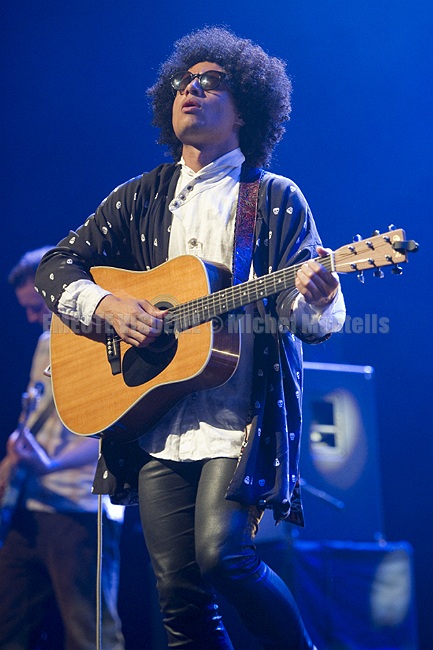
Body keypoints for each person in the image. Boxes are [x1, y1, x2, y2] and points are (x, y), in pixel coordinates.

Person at [35, 27, 346, 649]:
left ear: (246, 109)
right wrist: (109, 306)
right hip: (157, 417)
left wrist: (317, 297)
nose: (191, 90)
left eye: (211, 83)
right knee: (178, 597)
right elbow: (56, 266)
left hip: (239, 419)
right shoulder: (140, 196)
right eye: (184, 81)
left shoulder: (274, 198)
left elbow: (301, 318)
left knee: (222, 557)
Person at [0, 247, 125, 650]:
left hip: (81, 507)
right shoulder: (44, 344)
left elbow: (114, 432)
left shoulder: (107, 340)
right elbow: (37, 417)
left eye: (37, 308)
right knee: (9, 628)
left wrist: (50, 464)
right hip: (32, 503)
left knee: (91, 634)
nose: (31, 318)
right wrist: (14, 458)